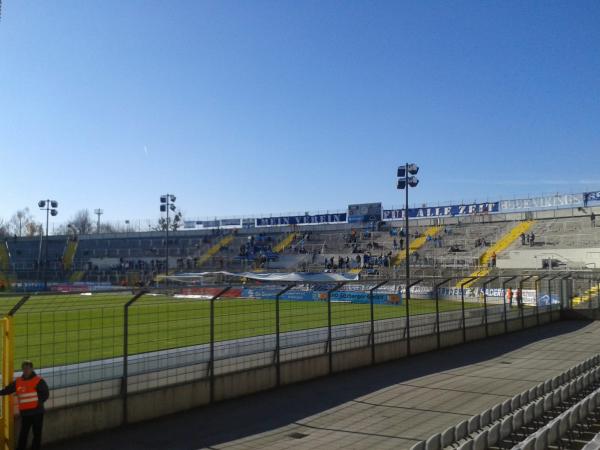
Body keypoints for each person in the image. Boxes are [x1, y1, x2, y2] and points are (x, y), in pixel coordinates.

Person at [0, 361, 49, 450]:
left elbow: (45, 394)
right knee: (23, 434)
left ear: (32, 369)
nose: (26, 370)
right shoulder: (18, 381)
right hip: (26, 413)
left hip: (37, 412)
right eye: (24, 369)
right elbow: (8, 390)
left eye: (28, 368)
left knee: (37, 434)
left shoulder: (38, 380)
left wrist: (38, 403)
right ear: (22, 369)